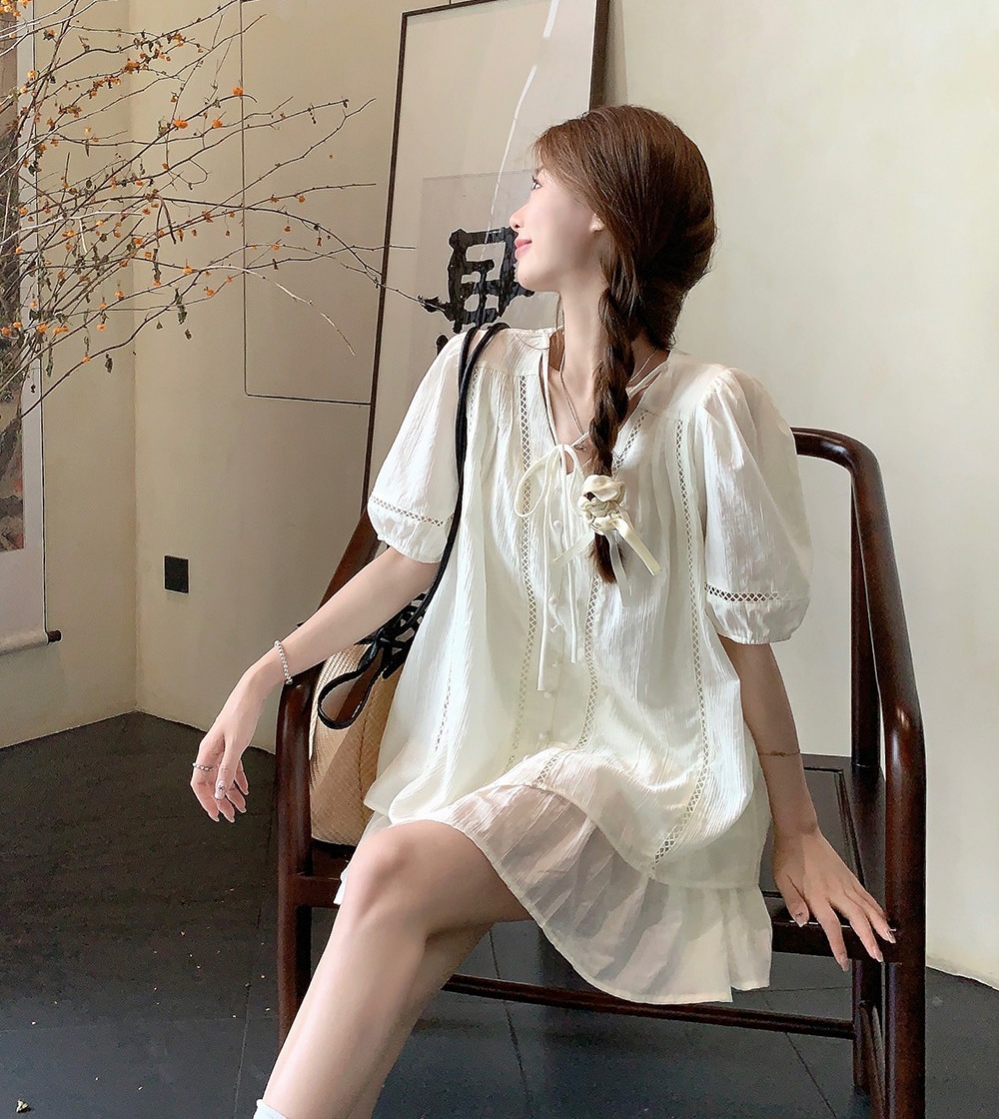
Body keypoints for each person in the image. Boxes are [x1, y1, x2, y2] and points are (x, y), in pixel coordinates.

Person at [191, 104, 894, 1119]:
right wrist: (266, 673)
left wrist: (797, 831)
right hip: (484, 751)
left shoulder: (711, 409)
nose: (516, 214)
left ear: (602, 213)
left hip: (647, 770)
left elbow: (746, 647)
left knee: (386, 874)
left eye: (537, 186)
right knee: (398, 911)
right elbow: (401, 566)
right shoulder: (476, 371)